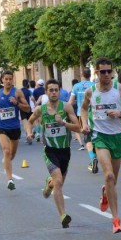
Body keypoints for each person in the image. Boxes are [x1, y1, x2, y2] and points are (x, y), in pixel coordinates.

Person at [81, 58, 121, 233]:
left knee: (113, 181)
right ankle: (116, 220)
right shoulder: (90, 92)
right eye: (102, 71)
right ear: (96, 73)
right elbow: (83, 109)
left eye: (109, 71)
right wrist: (84, 124)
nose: (106, 74)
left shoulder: (120, 89)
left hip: (117, 137)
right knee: (110, 176)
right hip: (99, 137)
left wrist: (120, 114)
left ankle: (106, 192)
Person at [26, 79, 81, 228]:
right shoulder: (40, 110)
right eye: (51, 90)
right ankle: (63, 215)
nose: (54, 93)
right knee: (58, 180)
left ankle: (49, 185)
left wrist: (64, 123)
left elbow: (78, 128)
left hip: (65, 151)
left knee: (58, 182)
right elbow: (29, 121)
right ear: (46, 92)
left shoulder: (67, 107)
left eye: (56, 90)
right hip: (50, 151)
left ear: (60, 91)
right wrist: (29, 133)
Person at [0, 71, 31, 190]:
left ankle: (6, 162)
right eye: (6, 79)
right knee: (6, 151)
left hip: (15, 127)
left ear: (13, 80)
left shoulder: (17, 92)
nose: (8, 81)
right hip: (1, 127)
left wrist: (17, 103)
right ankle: (10, 179)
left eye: (10, 79)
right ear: (2, 80)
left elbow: (27, 108)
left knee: (11, 155)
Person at [70, 68, 96, 165]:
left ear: (81, 75)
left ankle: (93, 158)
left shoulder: (76, 86)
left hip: (82, 115)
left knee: (87, 137)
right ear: (90, 75)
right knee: (96, 136)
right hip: (94, 115)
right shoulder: (94, 85)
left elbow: (70, 102)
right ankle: (95, 155)